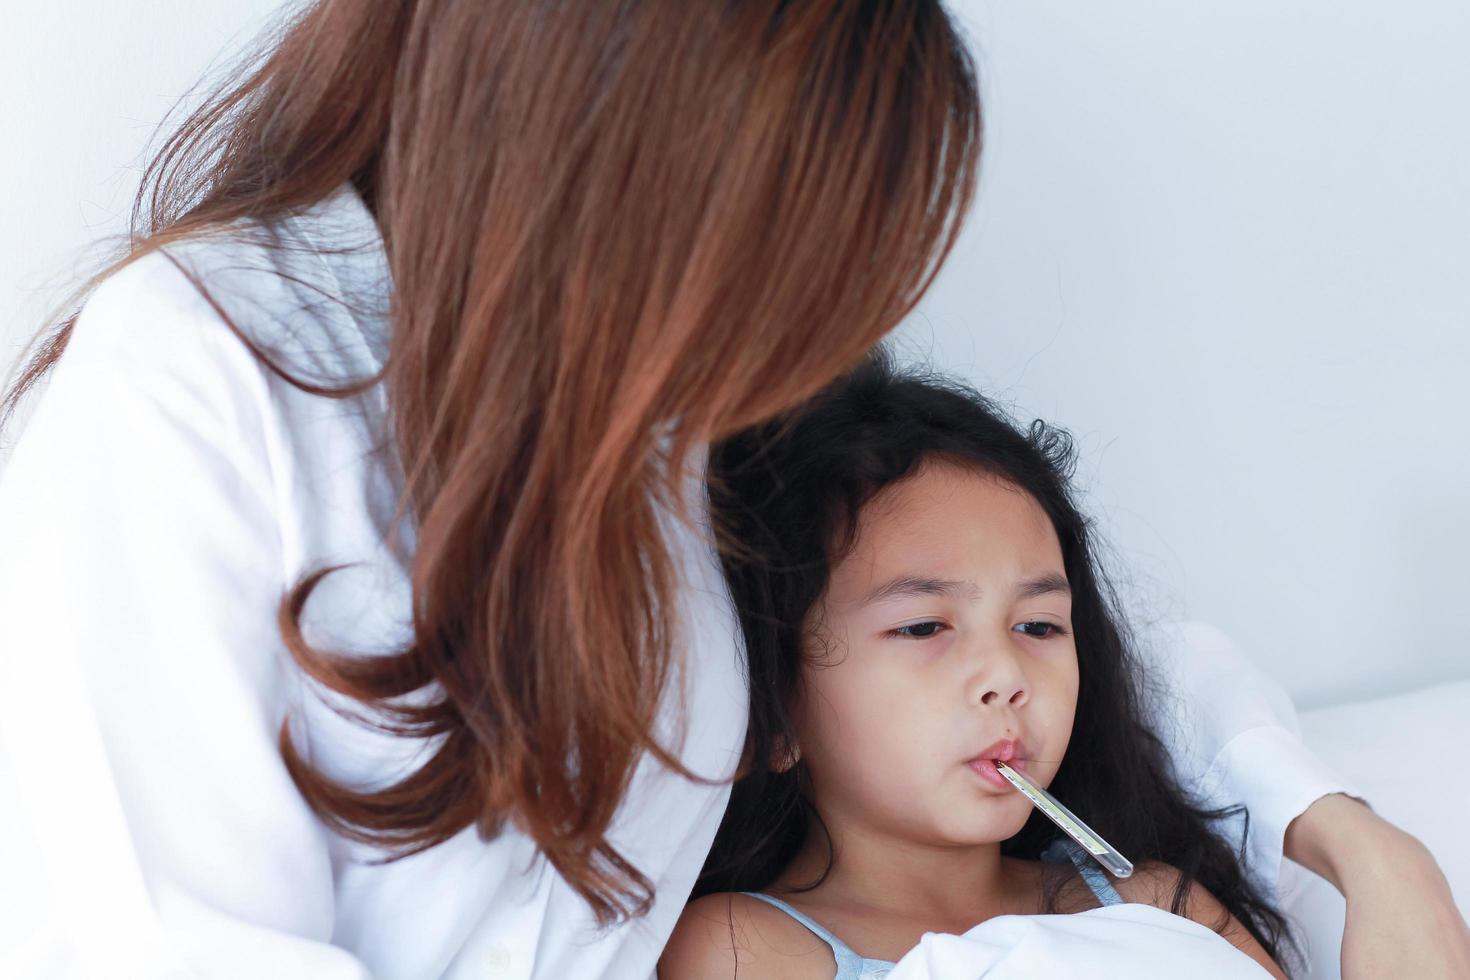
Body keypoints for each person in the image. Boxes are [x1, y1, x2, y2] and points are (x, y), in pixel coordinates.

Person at [0, 2, 1463, 978]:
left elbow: (1044, 593)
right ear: (610, 163)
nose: (798, 343)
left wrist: (1334, 829)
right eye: (778, 269)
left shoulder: (673, 408)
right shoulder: (196, 389)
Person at [663, 348, 1298, 977]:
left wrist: (1355, 847)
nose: (1007, 677)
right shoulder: (742, 946)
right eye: (923, 626)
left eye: (1038, 626)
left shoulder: (1156, 903)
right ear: (777, 710)